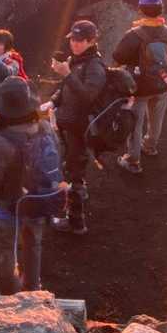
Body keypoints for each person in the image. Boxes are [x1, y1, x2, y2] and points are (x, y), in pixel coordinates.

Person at [0, 76, 60, 294]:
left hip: (9, 205)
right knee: (33, 243)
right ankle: (32, 288)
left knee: (6, 249)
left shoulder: (1, 140)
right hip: (38, 199)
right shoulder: (45, 127)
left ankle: (9, 294)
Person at [48, 20, 108, 235]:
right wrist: (53, 102)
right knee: (72, 166)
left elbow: (88, 97)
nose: (74, 43)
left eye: (80, 40)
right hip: (69, 123)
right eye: (72, 39)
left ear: (91, 41)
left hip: (79, 127)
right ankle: (79, 195)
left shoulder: (95, 67)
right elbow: (66, 88)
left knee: (73, 171)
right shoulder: (77, 60)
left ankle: (76, 222)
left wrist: (67, 74)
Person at [111, 0, 167, 174]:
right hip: (162, 83)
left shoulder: (134, 35)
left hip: (139, 87)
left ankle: (133, 160)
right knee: (156, 119)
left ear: (140, 10)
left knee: (135, 122)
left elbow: (118, 56)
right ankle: (150, 146)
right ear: (161, 9)